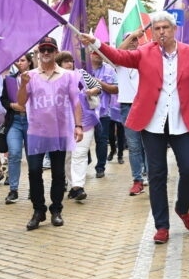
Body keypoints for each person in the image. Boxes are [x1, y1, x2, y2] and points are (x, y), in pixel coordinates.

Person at [78, 11, 189, 245]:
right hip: (153, 123)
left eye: (165, 28)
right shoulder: (144, 52)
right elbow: (118, 56)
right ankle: (162, 226)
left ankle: (182, 208)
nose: (161, 32)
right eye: (157, 28)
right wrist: (96, 43)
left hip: (183, 122)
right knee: (157, 175)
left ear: (174, 29)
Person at [17, 36, 83, 230]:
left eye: (50, 50)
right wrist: (23, 84)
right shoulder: (29, 76)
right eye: (42, 50)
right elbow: (21, 102)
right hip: (37, 131)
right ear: (38, 53)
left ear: (55, 52)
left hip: (60, 130)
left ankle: (56, 209)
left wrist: (78, 125)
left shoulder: (68, 75)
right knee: (34, 171)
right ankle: (38, 210)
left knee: (58, 172)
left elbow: (76, 101)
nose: (46, 53)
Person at [57, 51, 102, 201]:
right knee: (68, 157)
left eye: (71, 61)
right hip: (63, 123)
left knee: (80, 154)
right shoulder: (55, 79)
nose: (69, 64)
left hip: (85, 121)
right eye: (65, 61)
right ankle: (72, 186)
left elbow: (98, 87)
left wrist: (91, 91)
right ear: (59, 64)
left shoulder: (82, 74)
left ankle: (78, 186)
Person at [115, 31, 147, 196]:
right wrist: (132, 35)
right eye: (129, 39)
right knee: (134, 146)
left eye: (136, 39)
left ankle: (150, 174)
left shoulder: (144, 56)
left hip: (146, 105)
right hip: (128, 106)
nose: (133, 42)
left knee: (149, 144)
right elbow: (116, 53)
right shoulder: (119, 60)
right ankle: (137, 180)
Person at [1, 52, 34, 204]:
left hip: (31, 122)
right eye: (18, 60)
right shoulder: (10, 80)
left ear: (29, 62)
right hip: (14, 120)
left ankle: (34, 188)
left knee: (32, 156)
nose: (19, 63)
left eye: (23, 60)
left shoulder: (36, 77)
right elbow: (4, 99)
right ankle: (13, 190)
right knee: (14, 153)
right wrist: (11, 105)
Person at [89, 51, 119, 179]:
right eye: (96, 53)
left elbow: (116, 89)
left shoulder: (110, 69)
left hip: (103, 112)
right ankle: (87, 158)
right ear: (90, 53)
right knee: (83, 140)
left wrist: (98, 82)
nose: (99, 55)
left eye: (101, 53)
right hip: (86, 113)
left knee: (101, 141)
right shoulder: (82, 67)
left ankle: (100, 167)